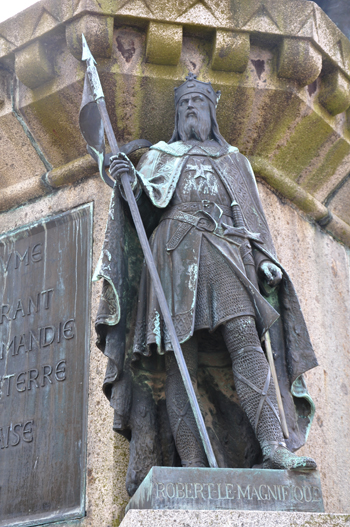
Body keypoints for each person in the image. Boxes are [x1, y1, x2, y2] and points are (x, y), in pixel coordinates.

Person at [94, 73, 318, 495]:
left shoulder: (234, 160)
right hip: (175, 255)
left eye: (198, 102)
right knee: (182, 358)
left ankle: (273, 445)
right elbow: (141, 211)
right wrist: (127, 182)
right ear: (177, 115)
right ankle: (192, 464)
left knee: (246, 342)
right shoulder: (161, 155)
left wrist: (265, 260)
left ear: (211, 111)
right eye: (184, 104)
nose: (190, 109)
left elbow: (252, 220)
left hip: (227, 253)